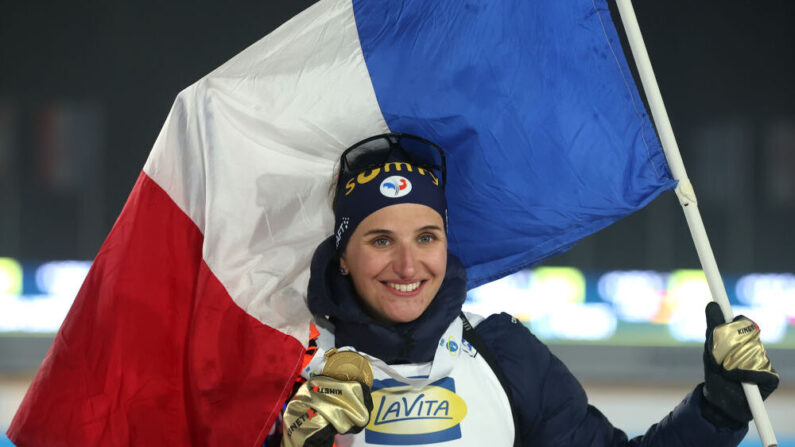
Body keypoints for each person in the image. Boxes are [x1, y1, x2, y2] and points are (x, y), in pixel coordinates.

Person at [276, 133, 779, 447]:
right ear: (343, 256)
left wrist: (719, 410)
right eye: (381, 240)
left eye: (426, 237)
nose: (408, 264)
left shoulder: (504, 356)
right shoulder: (286, 368)